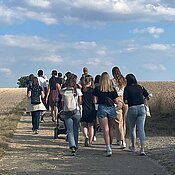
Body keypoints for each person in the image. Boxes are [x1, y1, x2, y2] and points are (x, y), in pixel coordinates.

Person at [93, 72, 121, 156]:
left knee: (105, 129)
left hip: (102, 108)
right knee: (111, 128)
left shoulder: (97, 89)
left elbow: (95, 101)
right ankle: (111, 145)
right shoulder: (112, 89)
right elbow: (116, 101)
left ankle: (108, 147)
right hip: (111, 108)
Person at [123, 73, 150, 156]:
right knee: (141, 128)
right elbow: (147, 96)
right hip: (142, 108)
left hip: (132, 108)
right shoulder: (140, 87)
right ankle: (142, 149)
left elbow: (125, 101)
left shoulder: (127, 88)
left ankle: (133, 146)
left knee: (132, 128)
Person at [60, 74, 82, 156]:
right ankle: (76, 145)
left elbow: (62, 103)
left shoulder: (64, 91)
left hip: (67, 111)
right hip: (76, 111)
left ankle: (72, 145)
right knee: (76, 129)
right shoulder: (77, 90)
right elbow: (80, 102)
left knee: (69, 130)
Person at [111, 66, 128, 149]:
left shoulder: (112, 81)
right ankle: (120, 139)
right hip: (125, 100)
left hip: (117, 100)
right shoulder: (124, 80)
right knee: (124, 122)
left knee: (118, 122)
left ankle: (122, 140)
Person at [81, 76, 96, 146]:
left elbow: (80, 101)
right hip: (91, 109)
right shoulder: (93, 90)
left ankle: (86, 137)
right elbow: (95, 101)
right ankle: (90, 141)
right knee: (91, 126)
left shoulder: (83, 90)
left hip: (84, 108)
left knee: (84, 124)